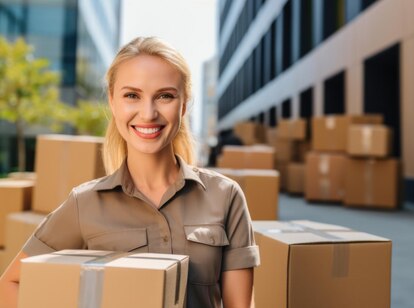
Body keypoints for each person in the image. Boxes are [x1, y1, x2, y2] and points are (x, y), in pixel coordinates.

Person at [0, 37, 259, 308]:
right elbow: (10, 284)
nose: (148, 113)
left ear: (183, 106)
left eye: (165, 96)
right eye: (132, 95)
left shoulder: (225, 196)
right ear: (113, 102)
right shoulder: (85, 203)